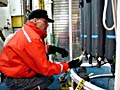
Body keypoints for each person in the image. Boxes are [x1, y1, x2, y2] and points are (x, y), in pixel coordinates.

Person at [0, 9, 82, 90]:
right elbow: (45, 68)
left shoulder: (27, 31)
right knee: (47, 78)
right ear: (35, 20)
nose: (47, 25)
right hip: (16, 79)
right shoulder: (32, 38)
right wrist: (67, 65)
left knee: (45, 76)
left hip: (14, 73)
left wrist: (54, 49)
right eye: (45, 22)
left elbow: (32, 53)